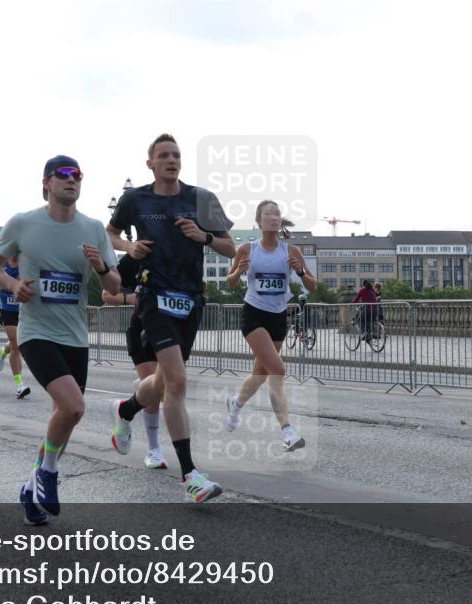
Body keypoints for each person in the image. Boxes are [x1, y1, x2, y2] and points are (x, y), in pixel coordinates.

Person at [0, 154, 120, 525]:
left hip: (75, 336)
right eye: (63, 174)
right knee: (74, 407)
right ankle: (47, 473)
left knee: (62, 418)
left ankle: (30, 489)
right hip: (36, 332)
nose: (71, 180)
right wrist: (13, 284)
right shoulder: (24, 223)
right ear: (46, 183)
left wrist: (101, 266)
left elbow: (114, 285)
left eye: (77, 175)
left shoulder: (93, 229)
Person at [105, 133, 236, 503]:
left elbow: (232, 248)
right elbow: (110, 234)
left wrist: (204, 237)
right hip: (153, 295)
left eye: (176, 155)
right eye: (163, 155)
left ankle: (125, 407)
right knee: (177, 381)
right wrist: (129, 246)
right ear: (151, 163)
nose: (171, 160)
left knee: (163, 383)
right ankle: (191, 475)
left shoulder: (202, 199)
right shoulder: (136, 199)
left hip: (190, 299)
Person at [224, 200, 316, 451]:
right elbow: (230, 282)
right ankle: (287, 430)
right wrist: (238, 272)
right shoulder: (247, 249)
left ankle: (236, 404)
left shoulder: (291, 251)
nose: (274, 217)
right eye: (268, 214)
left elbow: (313, 286)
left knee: (261, 374)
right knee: (277, 368)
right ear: (259, 221)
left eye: (277, 213)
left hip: (278, 317)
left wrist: (300, 272)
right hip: (253, 314)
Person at [100, 253, 167, 470]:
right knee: (156, 392)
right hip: (142, 330)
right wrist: (129, 298)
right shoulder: (135, 256)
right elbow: (106, 294)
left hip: (173, 330)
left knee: (169, 388)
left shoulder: (180, 252)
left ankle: (126, 408)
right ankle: (154, 450)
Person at [0, 257, 31, 399]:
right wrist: (1, 283)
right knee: (16, 344)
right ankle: (20, 386)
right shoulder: (3, 264)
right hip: (7, 308)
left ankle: (3, 351)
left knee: (18, 341)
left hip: (22, 308)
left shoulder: (26, 264)